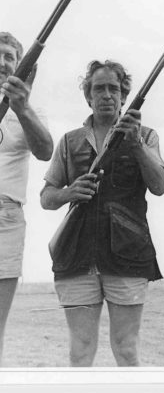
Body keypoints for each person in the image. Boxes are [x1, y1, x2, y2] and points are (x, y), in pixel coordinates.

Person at [40, 60, 164, 367]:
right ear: (88, 96)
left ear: (124, 95)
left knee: (127, 349)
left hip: (128, 254)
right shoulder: (69, 141)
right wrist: (69, 192)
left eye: (114, 88)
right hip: (76, 253)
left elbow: (159, 186)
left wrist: (136, 145)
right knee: (80, 351)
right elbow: (47, 197)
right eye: (99, 88)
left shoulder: (146, 136)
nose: (107, 95)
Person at [0, 32, 53, 364]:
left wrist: (21, 108)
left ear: (21, 66)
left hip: (5, 217)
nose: (2, 62)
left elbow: (45, 150)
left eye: (9, 56)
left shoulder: (29, 110)